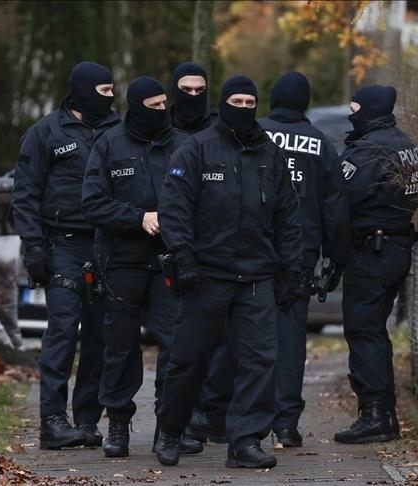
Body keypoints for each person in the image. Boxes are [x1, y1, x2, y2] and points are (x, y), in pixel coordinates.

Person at [152, 75, 303, 469]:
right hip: (206, 275)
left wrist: (291, 269)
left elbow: (288, 217)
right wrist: (183, 257)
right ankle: (171, 430)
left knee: (259, 361)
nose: (244, 108)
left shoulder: (270, 155)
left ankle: (246, 441)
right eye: (237, 101)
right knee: (189, 359)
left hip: (256, 276)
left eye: (251, 102)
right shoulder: (196, 150)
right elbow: (174, 209)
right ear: (223, 104)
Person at [81, 76, 202, 458]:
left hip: (170, 259)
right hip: (122, 260)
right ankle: (118, 423)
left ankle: (171, 427)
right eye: (154, 106)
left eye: (165, 104)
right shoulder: (109, 144)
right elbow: (93, 203)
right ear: (136, 108)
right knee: (119, 345)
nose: (163, 111)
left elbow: (203, 199)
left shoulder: (184, 145)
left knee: (176, 344)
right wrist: (138, 218)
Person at [12, 61, 120, 450]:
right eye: (105, 91)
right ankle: (53, 420)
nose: (111, 97)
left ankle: (87, 418)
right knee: (62, 330)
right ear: (84, 91)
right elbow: (25, 194)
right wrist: (34, 247)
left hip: (106, 245)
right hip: (63, 245)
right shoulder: (45, 133)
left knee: (99, 336)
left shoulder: (118, 131)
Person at [258, 71, 351, 447]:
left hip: (252, 250)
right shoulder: (320, 144)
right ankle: (285, 423)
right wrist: (336, 257)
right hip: (300, 253)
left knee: (246, 335)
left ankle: (242, 419)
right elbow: (335, 206)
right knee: (291, 338)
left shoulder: (254, 133)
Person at [333, 85, 418, 444]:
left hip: (372, 250)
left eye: (354, 109)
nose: (350, 115)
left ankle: (375, 416)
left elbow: (339, 196)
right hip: (396, 246)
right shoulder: (407, 145)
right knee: (374, 331)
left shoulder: (369, 150)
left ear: (369, 110)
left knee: (364, 331)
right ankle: (383, 415)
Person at [168, 60, 233, 446]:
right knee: (180, 345)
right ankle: (172, 424)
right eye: (186, 90)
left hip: (213, 251)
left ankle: (208, 415)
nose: (193, 96)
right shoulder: (160, 126)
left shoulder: (220, 130)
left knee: (218, 343)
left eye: (199, 90)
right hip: (168, 247)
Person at [169, 61, 217, 134]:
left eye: (200, 90)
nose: (193, 94)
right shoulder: (160, 124)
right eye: (186, 89)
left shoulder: (219, 127)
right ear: (174, 89)